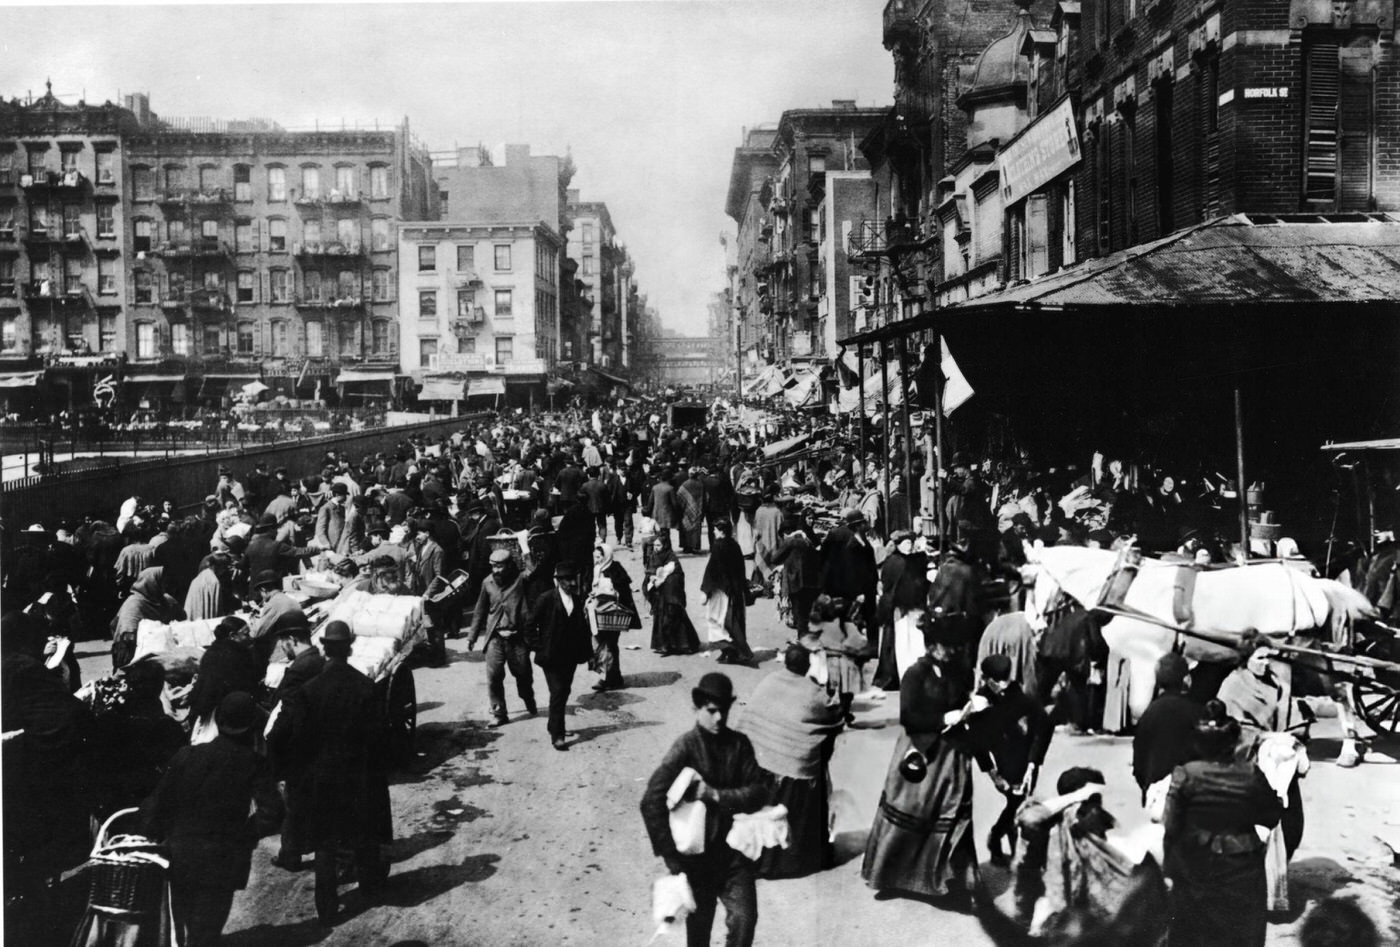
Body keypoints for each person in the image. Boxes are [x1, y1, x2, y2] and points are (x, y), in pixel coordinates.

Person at [268, 620, 389, 925]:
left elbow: (298, 738)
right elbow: (378, 738)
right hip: (358, 775)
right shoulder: (366, 687)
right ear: (350, 647)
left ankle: (327, 907)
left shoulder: (310, 691)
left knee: (325, 842)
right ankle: (371, 887)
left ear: (324, 647)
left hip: (322, 778)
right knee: (362, 831)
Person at [139, 692, 279, 947]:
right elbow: (272, 813)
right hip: (224, 858)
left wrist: (158, 833)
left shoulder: (186, 755)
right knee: (208, 928)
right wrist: (245, 835)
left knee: (185, 923)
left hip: (181, 854)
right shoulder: (254, 763)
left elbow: (157, 804)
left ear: (218, 719)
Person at [640, 673, 768, 947]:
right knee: (699, 933)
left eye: (724, 710)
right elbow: (651, 801)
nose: (719, 718)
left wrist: (715, 796)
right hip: (698, 861)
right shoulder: (685, 747)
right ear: (697, 709)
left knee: (745, 920)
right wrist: (673, 858)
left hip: (735, 855)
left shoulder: (739, 744)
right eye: (712, 711)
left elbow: (758, 792)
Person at [861, 613, 981, 904]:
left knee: (953, 815)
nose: (952, 651)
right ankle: (892, 875)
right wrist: (943, 717)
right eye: (946, 646)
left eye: (955, 646)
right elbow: (908, 717)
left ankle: (957, 881)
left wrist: (972, 710)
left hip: (951, 754)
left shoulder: (961, 670)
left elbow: (963, 700)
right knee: (908, 814)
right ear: (933, 645)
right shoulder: (915, 674)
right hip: (919, 753)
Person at [1162, 700, 1283, 947]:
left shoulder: (1185, 774)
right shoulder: (1251, 773)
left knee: (1193, 933)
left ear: (1198, 742)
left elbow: (1171, 825)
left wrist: (1170, 866)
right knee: (1242, 934)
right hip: (1243, 864)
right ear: (1233, 742)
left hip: (1197, 863)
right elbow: (1271, 816)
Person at [738, 644, 844, 879]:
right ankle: (793, 861)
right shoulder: (815, 693)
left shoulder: (769, 680)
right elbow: (835, 720)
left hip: (759, 757)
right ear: (807, 666)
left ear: (785, 662)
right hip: (792, 766)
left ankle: (756, 858)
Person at [965, 653, 1052, 866]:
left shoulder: (1022, 698)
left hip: (1027, 760)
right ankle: (1013, 851)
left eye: (1006, 679)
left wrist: (1034, 763)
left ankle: (997, 839)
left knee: (1017, 804)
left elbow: (1044, 727)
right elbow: (977, 744)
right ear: (987, 680)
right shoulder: (980, 705)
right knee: (1016, 804)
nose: (1003, 686)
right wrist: (993, 774)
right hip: (1004, 763)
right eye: (997, 681)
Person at [526, 563, 593, 751]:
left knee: (564, 691)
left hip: (570, 656)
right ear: (559, 581)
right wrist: (538, 646)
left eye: (574, 579)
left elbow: (583, 629)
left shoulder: (578, 600)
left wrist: (588, 654)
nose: (572, 583)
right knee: (557, 692)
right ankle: (558, 735)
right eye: (567, 580)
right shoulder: (546, 599)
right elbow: (530, 624)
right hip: (551, 657)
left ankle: (552, 725)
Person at [468, 548, 537, 727]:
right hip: (496, 637)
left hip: (517, 637)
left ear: (509, 565)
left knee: (523, 674)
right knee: (494, 677)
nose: (496, 570)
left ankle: (527, 696)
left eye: (500, 566)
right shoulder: (487, 583)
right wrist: (472, 636)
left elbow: (533, 571)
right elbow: (480, 610)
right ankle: (499, 713)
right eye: (493, 566)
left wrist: (525, 549)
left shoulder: (520, 579)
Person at [1132, 652, 1204, 802]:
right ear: (1187, 679)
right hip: (1189, 792)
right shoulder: (1196, 712)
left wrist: (1147, 787)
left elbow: (1139, 758)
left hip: (1155, 790)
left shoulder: (1150, 713)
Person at [187, 616, 260, 741]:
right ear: (233, 635)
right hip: (226, 712)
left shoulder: (210, 652)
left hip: (203, 708)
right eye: (246, 634)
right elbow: (248, 686)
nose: (250, 638)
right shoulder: (240, 654)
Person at [701, 518, 754, 665]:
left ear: (722, 531)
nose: (713, 531)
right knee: (733, 619)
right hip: (735, 590)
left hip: (722, 591)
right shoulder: (735, 545)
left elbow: (712, 569)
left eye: (715, 529)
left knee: (721, 620)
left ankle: (735, 651)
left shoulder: (718, 546)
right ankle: (729, 652)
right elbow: (741, 569)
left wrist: (705, 590)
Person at [590, 542, 641, 691]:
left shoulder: (615, 569)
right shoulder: (597, 569)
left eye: (599, 557)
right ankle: (613, 676)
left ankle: (607, 678)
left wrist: (610, 591)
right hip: (599, 612)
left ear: (606, 556)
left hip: (612, 613)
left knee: (609, 645)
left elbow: (623, 590)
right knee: (600, 644)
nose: (597, 560)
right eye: (595, 557)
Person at [112, 566, 182, 670]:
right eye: (161, 581)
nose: (165, 585)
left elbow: (181, 618)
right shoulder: (134, 604)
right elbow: (127, 637)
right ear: (152, 583)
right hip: (135, 658)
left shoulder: (166, 601)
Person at [646, 533, 701, 656]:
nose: (656, 548)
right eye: (654, 545)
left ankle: (681, 645)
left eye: (658, 545)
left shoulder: (671, 558)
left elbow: (677, 575)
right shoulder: (654, 556)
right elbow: (649, 571)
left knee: (673, 617)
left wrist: (665, 582)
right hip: (659, 594)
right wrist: (651, 579)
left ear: (665, 545)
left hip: (670, 594)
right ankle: (664, 644)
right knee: (661, 617)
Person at [768, 516, 821, 637]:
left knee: (799, 611)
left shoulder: (790, 541)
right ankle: (806, 636)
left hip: (795, 580)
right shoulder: (807, 539)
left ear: (786, 532)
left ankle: (802, 638)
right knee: (806, 610)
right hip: (811, 580)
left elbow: (774, 559)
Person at [678, 467, 707, 554]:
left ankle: (686, 546)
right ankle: (695, 546)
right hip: (697, 511)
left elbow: (679, 498)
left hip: (686, 512)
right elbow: (705, 499)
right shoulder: (701, 485)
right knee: (696, 529)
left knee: (686, 528)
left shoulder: (684, 485)